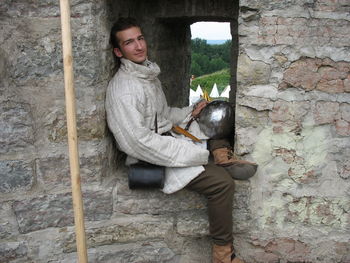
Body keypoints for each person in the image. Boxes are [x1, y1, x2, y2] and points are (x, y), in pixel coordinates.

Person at [106, 17, 257, 263]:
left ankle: (222, 155)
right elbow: (136, 141)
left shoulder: (146, 76)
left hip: (169, 138)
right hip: (153, 157)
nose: (138, 46)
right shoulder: (124, 88)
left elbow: (164, 116)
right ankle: (223, 255)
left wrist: (192, 111)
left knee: (215, 116)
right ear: (118, 51)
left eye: (140, 38)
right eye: (129, 42)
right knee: (222, 184)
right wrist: (191, 153)